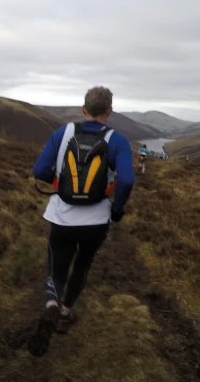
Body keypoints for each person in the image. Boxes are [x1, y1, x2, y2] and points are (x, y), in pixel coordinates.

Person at [28, 86, 135, 357]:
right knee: (82, 265)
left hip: (61, 217)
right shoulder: (118, 141)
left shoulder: (63, 133)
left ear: (83, 109)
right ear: (109, 111)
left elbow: (39, 170)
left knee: (57, 269)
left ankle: (51, 303)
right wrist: (117, 210)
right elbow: (126, 180)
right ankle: (65, 312)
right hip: (96, 220)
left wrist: (60, 181)